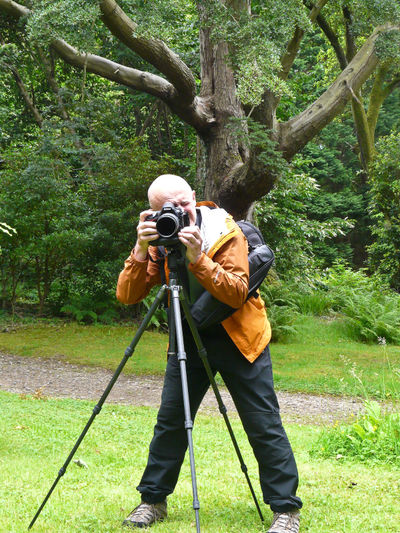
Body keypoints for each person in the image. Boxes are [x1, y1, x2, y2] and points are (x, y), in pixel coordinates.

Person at [116, 174, 302, 532]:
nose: (177, 213)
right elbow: (127, 295)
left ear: (194, 198)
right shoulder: (160, 238)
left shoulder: (224, 231)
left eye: (183, 205)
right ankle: (152, 501)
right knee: (170, 423)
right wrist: (140, 249)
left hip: (239, 337)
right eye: (163, 210)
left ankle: (286, 509)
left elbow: (235, 292)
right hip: (188, 339)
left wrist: (197, 256)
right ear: (151, 213)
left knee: (263, 423)